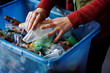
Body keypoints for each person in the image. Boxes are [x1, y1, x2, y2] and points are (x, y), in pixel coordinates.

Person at [25, 0, 110, 73]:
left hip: (99, 26)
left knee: (89, 65)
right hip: (71, 20)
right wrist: (43, 7)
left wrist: (72, 19)